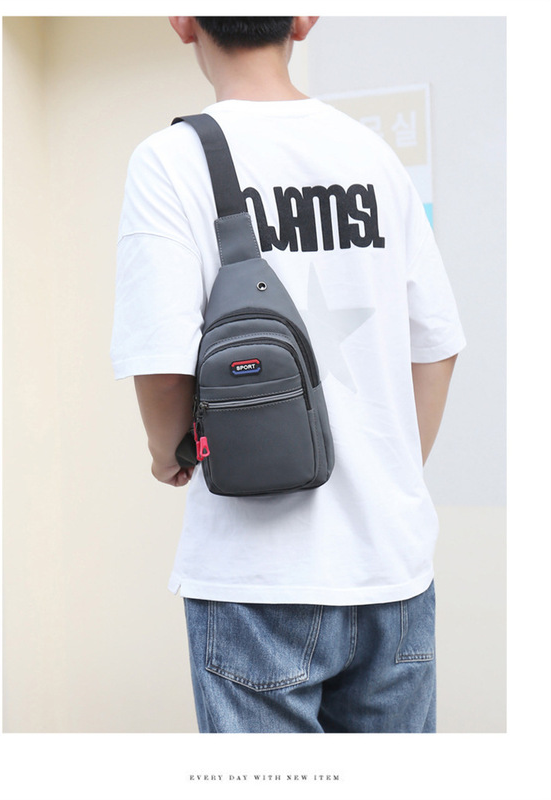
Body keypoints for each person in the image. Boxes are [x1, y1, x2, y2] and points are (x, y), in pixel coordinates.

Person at [110, 16, 466, 733]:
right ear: (304, 18)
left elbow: (162, 364)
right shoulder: (372, 154)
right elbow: (436, 345)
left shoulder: (170, 161)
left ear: (183, 20)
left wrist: (167, 451)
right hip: (390, 565)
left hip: (255, 574)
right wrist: (389, 471)